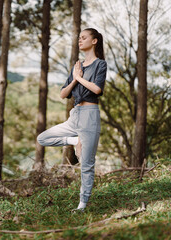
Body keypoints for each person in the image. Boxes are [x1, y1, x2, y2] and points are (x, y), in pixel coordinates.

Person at [37, 28, 107, 211]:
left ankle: (82, 205)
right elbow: (63, 93)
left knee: (86, 164)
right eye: (78, 38)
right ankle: (74, 140)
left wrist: (79, 79)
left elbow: (97, 89)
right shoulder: (77, 66)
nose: (80, 40)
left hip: (90, 116)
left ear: (94, 41)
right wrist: (75, 79)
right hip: (74, 116)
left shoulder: (100, 65)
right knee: (42, 138)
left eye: (84, 37)